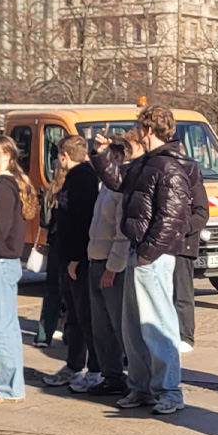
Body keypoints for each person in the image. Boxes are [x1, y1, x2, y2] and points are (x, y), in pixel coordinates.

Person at [92, 105, 193, 416]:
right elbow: (117, 181)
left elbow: (172, 217)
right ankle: (142, 388)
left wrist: (148, 253)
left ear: (148, 130)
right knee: (133, 327)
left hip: (153, 255)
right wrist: (101, 154)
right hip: (143, 251)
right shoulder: (147, 163)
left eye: (140, 126)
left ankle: (169, 392)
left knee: (157, 325)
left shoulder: (169, 166)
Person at [0, 135, 36, 404]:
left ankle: (8, 388)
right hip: (7, 262)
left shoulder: (2, 184)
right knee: (8, 327)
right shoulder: (12, 182)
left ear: (7, 156)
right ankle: (12, 385)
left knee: (0, 327)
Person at [42, 135, 101, 389]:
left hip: (78, 258)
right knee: (73, 316)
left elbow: (81, 221)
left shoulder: (83, 179)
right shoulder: (76, 178)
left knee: (85, 316)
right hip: (67, 255)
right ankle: (74, 365)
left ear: (64, 156)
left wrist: (76, 258)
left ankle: (95, 369)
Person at [84, 133, 135, 399]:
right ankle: (111, 375)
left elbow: (122, 232)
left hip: (110, 265)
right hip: (96, 258)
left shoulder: (120, 187)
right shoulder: (106, 186)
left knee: (118, 323)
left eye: (110, 155)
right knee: (101, 325)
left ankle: (135, 377)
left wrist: (113, 267)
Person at [170, 138, 211, 354]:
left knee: (182, 291)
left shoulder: (192, 178)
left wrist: (181, 229)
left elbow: (202, 212)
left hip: (184, 244)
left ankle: (185, 334)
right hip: (165, 244)